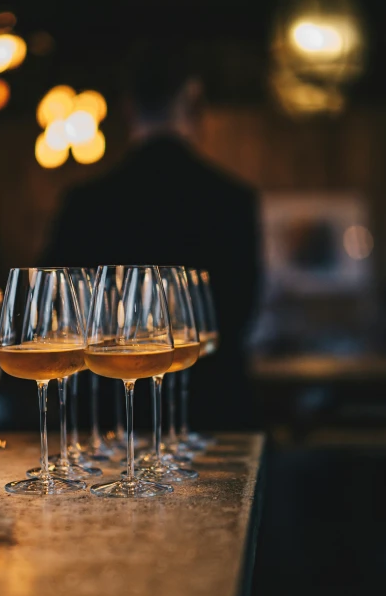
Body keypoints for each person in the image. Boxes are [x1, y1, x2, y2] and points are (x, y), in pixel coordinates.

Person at [39, 40, 263, 433]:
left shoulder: (85, 203)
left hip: (111, 423)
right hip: (212, 414)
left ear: (127, 106)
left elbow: (55, 310)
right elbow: (241, 313)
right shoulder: (232, 199)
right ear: (193, 98)